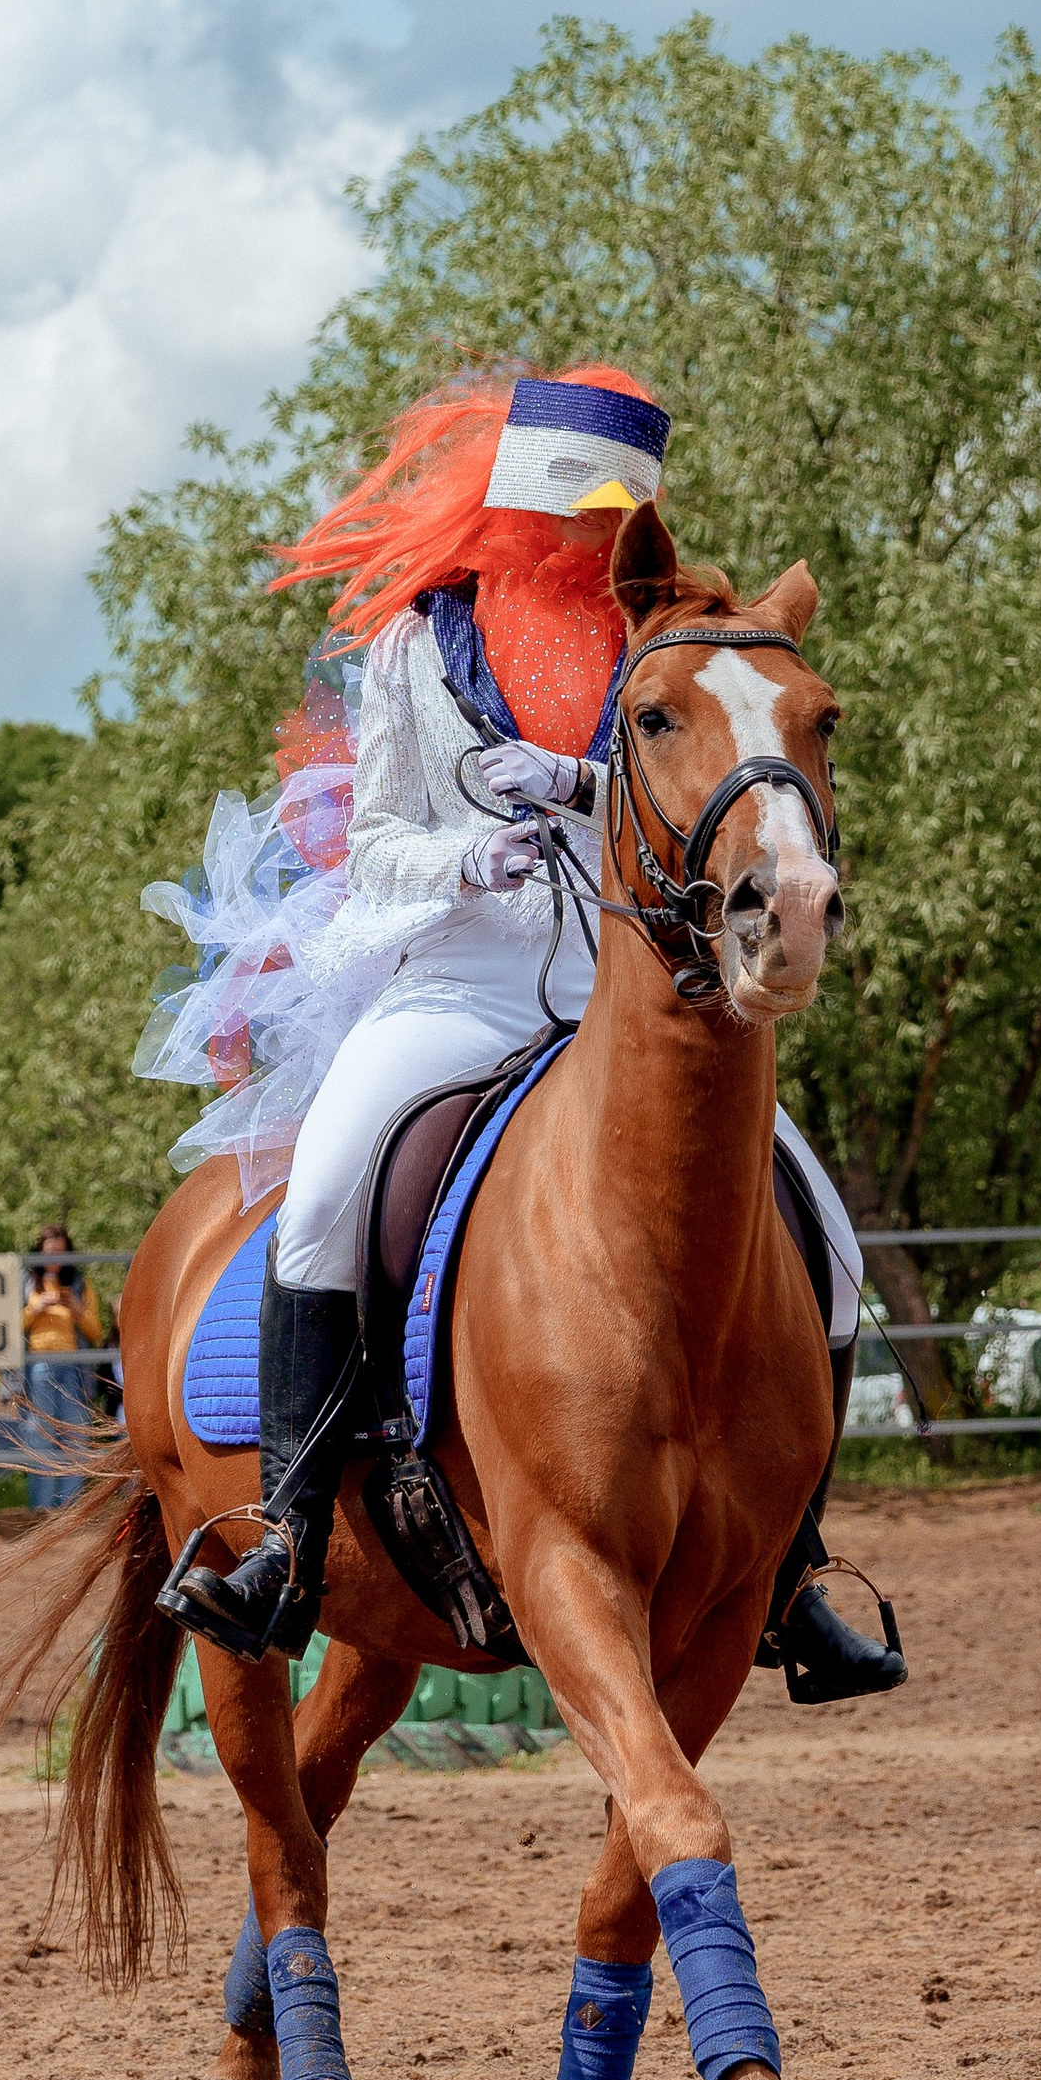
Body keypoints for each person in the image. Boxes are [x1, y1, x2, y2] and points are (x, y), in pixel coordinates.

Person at [152, 368, 904, 1703]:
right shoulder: (415, 646)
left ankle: (793, 1568)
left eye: (611, 514)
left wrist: (586, 781)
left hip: (625, 986)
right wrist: (469, 853)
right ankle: (287, 1536)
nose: (584, 537)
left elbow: (703, 773)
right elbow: (375, 843)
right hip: (457, 983)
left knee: (828, 1241)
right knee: (326, 1195)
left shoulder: (659, 627)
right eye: (573, 511)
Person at [15, 1223, 105, 1512]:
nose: (54, 1259)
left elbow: (96, 1332)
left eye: (61, 1253)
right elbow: (8, 1329)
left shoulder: (79, 1284)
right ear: (38, 1252)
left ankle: (69, 1510)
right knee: (40, 1435)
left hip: (74, 1369)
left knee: (76, 1436)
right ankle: (41, 1510)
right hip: (38, 1365)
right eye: (49, 1253)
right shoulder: (24, 1283)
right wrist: (36, 1306)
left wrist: (75, 1308)